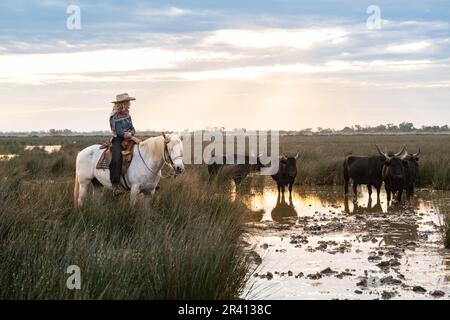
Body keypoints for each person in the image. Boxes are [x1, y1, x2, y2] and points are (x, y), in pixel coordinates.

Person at [109, 93, 136, 195]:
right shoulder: (114, 115)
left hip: (129, 138)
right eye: (128, 102)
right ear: (122, 103)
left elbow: (133, 129)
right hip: (118, 140)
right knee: (117, 158)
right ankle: (115, 185)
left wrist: (131, 134)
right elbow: (118, 131)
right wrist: (126, 135)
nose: (129, 104)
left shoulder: (127, 114)